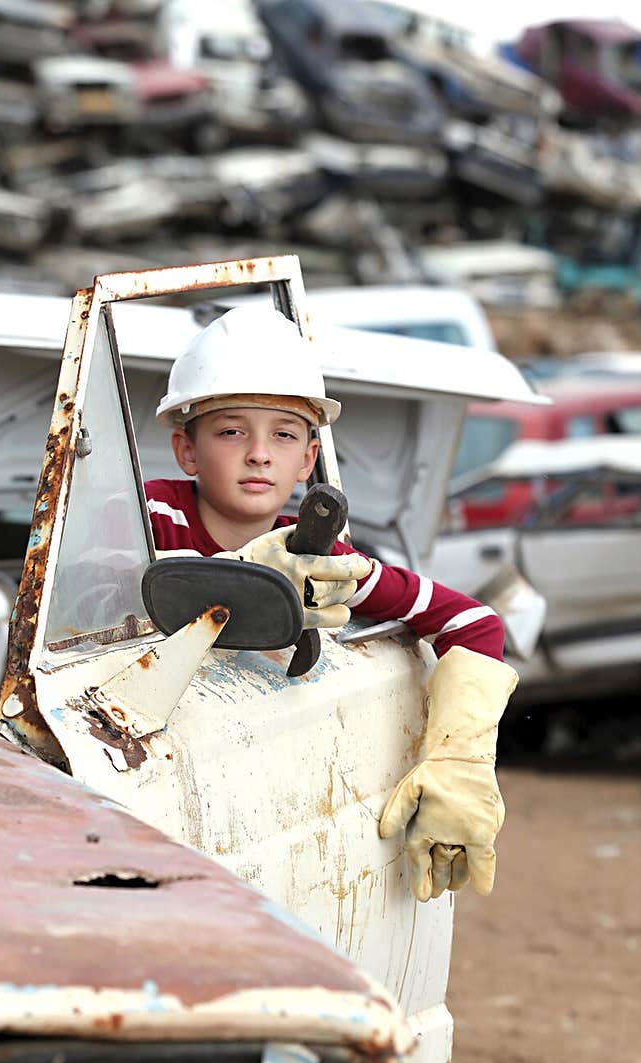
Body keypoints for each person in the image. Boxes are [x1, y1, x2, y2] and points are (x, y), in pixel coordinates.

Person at [146, 305, 518, 902]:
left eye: (284, 435)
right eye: (231, 431)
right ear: (187, 452)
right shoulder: (145, 519)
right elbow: (96, 600)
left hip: (260, 787)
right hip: (148, 777)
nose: (260, 454)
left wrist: (460, 759)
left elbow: (474, 623)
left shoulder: (324, 562)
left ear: (308, 461)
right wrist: (244, 579)